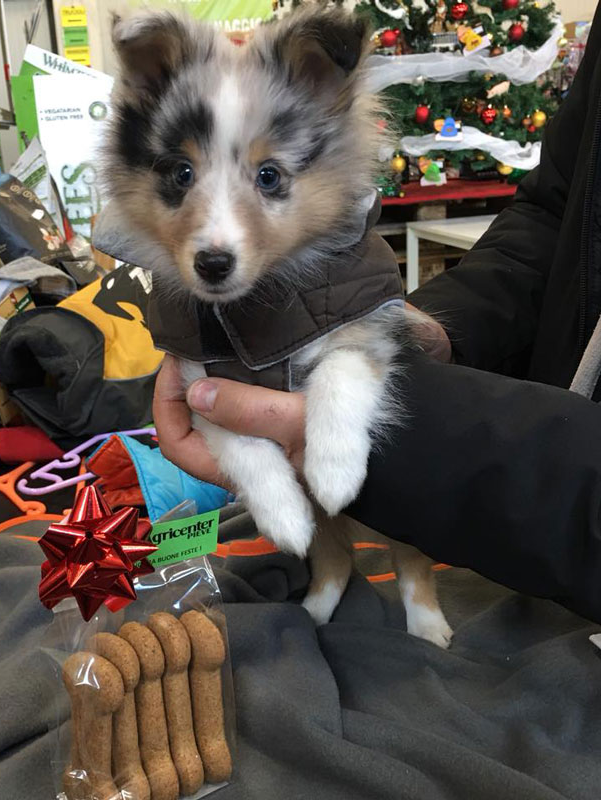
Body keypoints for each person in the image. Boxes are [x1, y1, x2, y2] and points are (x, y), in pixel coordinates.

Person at [153, 4, 601, 624]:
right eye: (184, 173)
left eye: (266, 175)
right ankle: (334, 569)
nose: (217, 231)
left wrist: (420, 430)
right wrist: (436, 327)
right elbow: (556, 214)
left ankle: (412, 587)